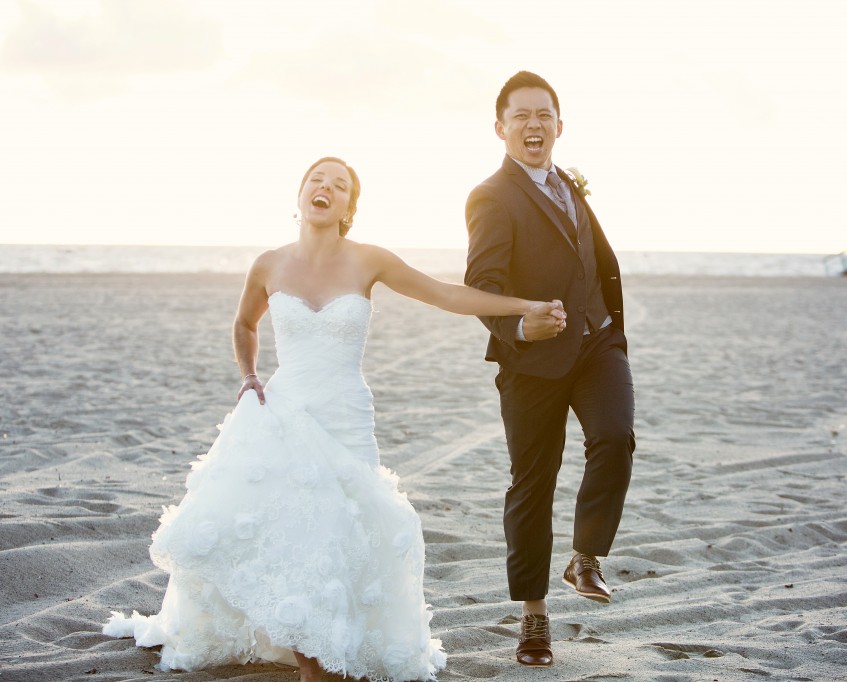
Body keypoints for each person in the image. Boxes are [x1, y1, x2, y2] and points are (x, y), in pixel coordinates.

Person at [104, 156, 566, 681]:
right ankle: (313, 656)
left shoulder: (369, 260)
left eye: (339, 185)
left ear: (349, 208)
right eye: (316, 180)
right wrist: (249, 374)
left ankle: (327, 644)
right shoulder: (268, 264)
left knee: (343, 531)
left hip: (345, 415)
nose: (325, 188)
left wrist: (524, 304)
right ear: (300, 195)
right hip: (285, 410)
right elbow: (243, 323)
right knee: (296, 530)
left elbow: (446, 294)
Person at [464, 71, 636, 667]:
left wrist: (610, 323)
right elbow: (480, 287)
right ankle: (534, 621)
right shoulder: (490, 195)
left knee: (614, 437)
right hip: (531, 362)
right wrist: (517, 326)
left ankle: (586, 556)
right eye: (521, 116)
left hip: (598, 343)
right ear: (501, 128)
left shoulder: (571, 183)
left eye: (544, 115)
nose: (534, 125)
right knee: (532, 488)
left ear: (559, 126)